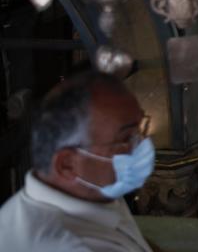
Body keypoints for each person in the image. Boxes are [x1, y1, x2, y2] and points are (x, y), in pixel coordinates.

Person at [0, 71, 154, 251]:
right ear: (67, 164)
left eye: (140, 129)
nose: (141, 145)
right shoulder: (69, 246)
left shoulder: (93, 190)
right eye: (126, 138)